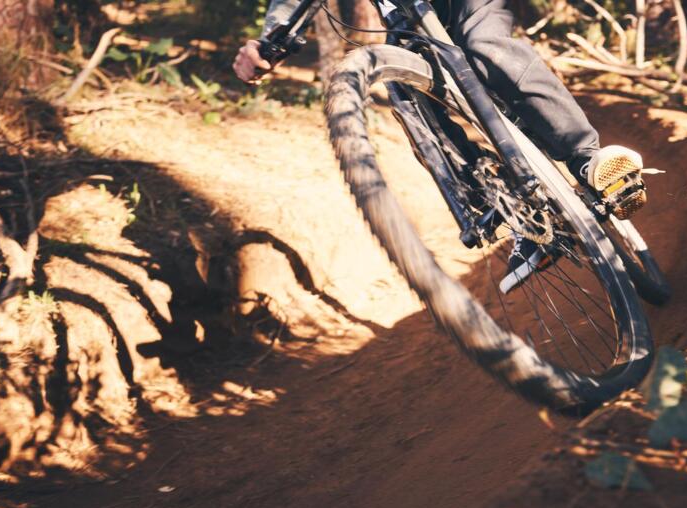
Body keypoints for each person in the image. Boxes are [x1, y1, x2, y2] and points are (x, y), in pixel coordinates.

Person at [234, 0, 649, 294]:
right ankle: (516, 212)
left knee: (484, 45)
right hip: (405, 19)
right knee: (405, 94)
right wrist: (270, 41)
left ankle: (586, 159)